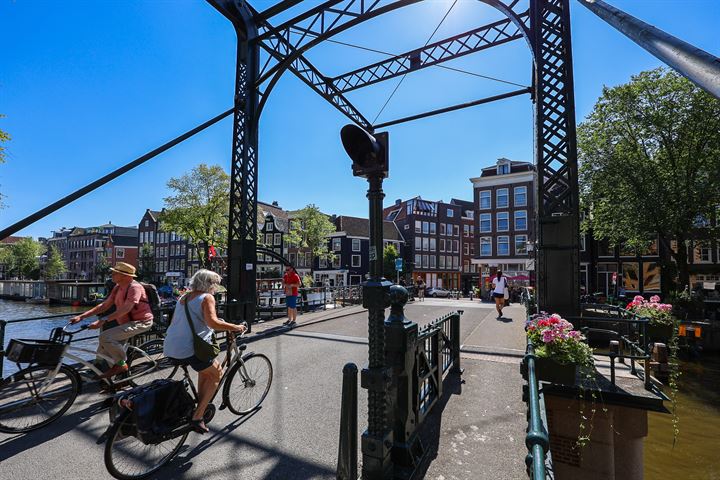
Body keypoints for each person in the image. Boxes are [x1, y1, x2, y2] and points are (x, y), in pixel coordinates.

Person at [163, 269, 246, 433]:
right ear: (209, 284)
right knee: (217, 373)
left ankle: (201, 405)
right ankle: (197, 417)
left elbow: (180, 321)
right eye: (215, 284)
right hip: (189, 348)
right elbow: (213, 323)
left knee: (205, 371)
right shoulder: (207, 297)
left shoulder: (184, 297)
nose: (216, 287)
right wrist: (235, 327)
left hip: (170, 345)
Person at [70, 262, 154, 379]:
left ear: (125, 276)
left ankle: (121, 366)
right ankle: (116, 379)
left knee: (105, 337)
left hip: (141, 322)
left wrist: (103, 320)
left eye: (115, 273)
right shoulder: (118, 287)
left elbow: (126, 308)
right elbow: (104, 306)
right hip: (125, 323)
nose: (112, 274)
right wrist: (81, 316)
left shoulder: (135, 287)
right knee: (104, 350)